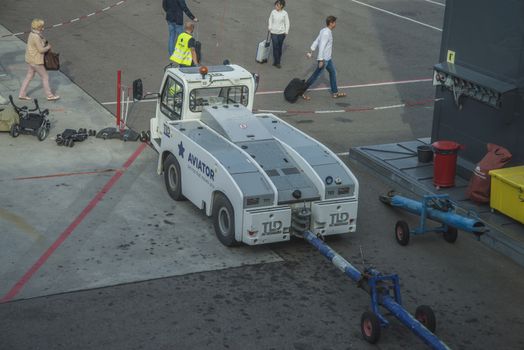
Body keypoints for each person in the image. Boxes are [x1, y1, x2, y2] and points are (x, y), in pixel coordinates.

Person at [302, 16, 346, 100]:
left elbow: (316, 41)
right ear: (331, 23)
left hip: (328, 59)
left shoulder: (323, 30)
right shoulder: (326, 33)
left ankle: (335, 93)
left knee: (333, 73)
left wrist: (311, 51)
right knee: (315, 76)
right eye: (334, 22)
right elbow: (321, 46)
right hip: (324, 60)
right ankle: (301, 91)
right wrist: (321, 60)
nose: (335, 24)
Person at [18, 19, 60, 101]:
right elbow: (41, 50)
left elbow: (38, 44)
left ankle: (22, 94)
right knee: (45, 77)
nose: (43, 28)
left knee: (29, 76)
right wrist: (48, 47)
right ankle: (49, 95)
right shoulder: (36, 37)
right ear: (37, 27)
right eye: (41, 27)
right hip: (36, 61)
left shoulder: (32, 33)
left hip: (30, 59)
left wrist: (43, 39)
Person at [268, 0, 289, 68]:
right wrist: (270, 27)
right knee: (275, 47)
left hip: (281, 33)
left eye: (277, 5)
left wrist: (286, 31)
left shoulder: (285, 13)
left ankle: (277, 61)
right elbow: (270, 19)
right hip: (273, 32)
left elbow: (287, 23)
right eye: (276, 5)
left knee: (279, 47)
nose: (276, 6)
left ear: (281, 6)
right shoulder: (273, 12)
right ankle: (277, 62)